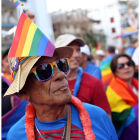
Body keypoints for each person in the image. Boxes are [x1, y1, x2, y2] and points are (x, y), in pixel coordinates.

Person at [5, 41, 118, 140]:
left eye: (61, 64)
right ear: (24, 92)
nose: (61, 74)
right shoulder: (16, 135)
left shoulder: (97, 117)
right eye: (44, 70)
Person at [55, 34, 111, 118]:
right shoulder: (49, 83)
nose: (77, 55)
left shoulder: (94, 83)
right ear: (57, 55)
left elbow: (106, 119)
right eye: (70, 51)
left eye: (78, 50)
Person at [106, 54, 138, 140]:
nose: (126, 67)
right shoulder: (112, 90)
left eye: (129, 63)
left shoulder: (137, 83)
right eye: (121, 66)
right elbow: (118, 117)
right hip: (124, 133)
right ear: (115, 70)